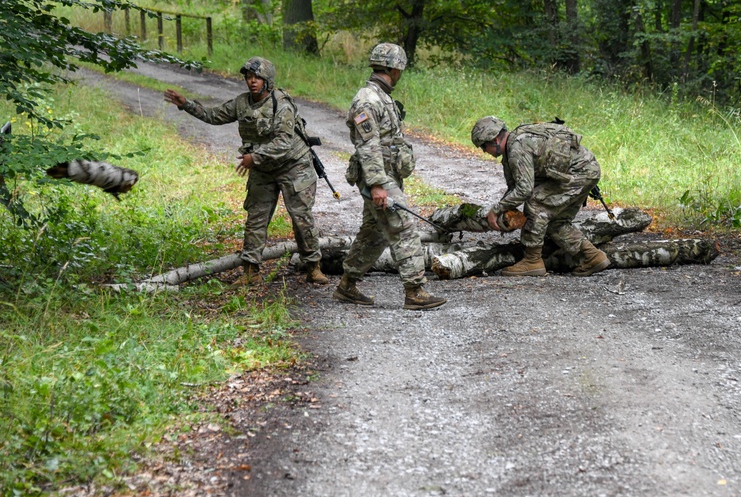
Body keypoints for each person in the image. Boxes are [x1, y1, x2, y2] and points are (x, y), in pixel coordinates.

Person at [163, 57, 327, 286]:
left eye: (257, 78)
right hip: (262, 168)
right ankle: (251, 271)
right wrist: (185, 104)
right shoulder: (241, 103)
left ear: (267, 81)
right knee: (256, 217)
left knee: (301, 218)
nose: (252, 82)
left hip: (293, 165)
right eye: (249, 77)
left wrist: (254, 157)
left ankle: (313, 267)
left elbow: (284, 142)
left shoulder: (282, 104)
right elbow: (213, 116)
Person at [333, 43, 447, 311]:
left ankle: (347, 285)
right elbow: (368, 146)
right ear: (395, 69)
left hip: (385, 175)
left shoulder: (381, 96)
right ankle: (415, 290)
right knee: (404, 227)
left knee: (374, 232)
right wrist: (377, 185)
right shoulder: (368, 100)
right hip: (380, 178)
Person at [471, 116, 610, 277]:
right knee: (555, 221)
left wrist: (496, 210)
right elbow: (514, 187)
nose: (483, 151)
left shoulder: (517, 148)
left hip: (578, 174)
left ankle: (532, 261)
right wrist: (505, 212)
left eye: (483, 146)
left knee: (536, 203)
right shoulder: (512, 149)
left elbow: (524, 190)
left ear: (494, 139)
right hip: (584, 172)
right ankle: (593, 256)